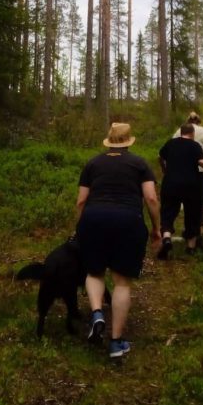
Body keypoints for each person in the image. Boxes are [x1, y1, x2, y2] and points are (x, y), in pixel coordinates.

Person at [75, 122, 161, 360]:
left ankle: (96, 314)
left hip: (93, 219)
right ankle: (115, 342)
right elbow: (151, 198)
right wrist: (156, 228)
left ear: (109, 141)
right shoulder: (140, 164)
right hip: (127, 222)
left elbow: (81, 201)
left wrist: (80, 227)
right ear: (129, 141)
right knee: (122, 282)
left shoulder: (93, 163)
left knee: (94, 272)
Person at [157, 124, 203, 259]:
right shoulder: (195, 145)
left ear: (181, 132)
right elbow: (202, 162)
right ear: (192, 134)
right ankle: (191, 247)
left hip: (171, 183)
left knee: (167, 211)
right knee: (193, 213)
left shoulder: (171, 143)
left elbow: (160, 157)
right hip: (191, 185)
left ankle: (167, 238)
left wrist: (164, 169)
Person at [172, 110, 203, 242]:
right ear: (199, 121)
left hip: (181, 173)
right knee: (200, 204)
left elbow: (171, 149)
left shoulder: (179, 132)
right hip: (200, 173)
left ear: (188, 121)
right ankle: (199, 234)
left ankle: (187, 232)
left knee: (186, 203)